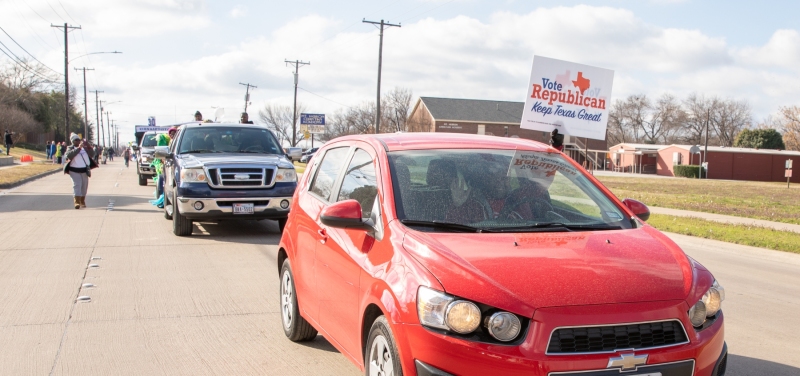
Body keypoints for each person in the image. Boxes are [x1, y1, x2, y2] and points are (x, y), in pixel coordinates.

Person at [64, 134, 96, 209]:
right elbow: (69, 155)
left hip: (84, 170)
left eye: (79, 140)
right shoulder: (70, 148)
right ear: (72, 141)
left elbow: (92, 154)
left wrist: (88, 145)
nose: (78, 141)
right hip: (74, 170)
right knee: (77, 185)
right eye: (76, 140)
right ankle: (77, 202)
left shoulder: (84, 148)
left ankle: (82, 201)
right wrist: (79, 148)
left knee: (84, 186)